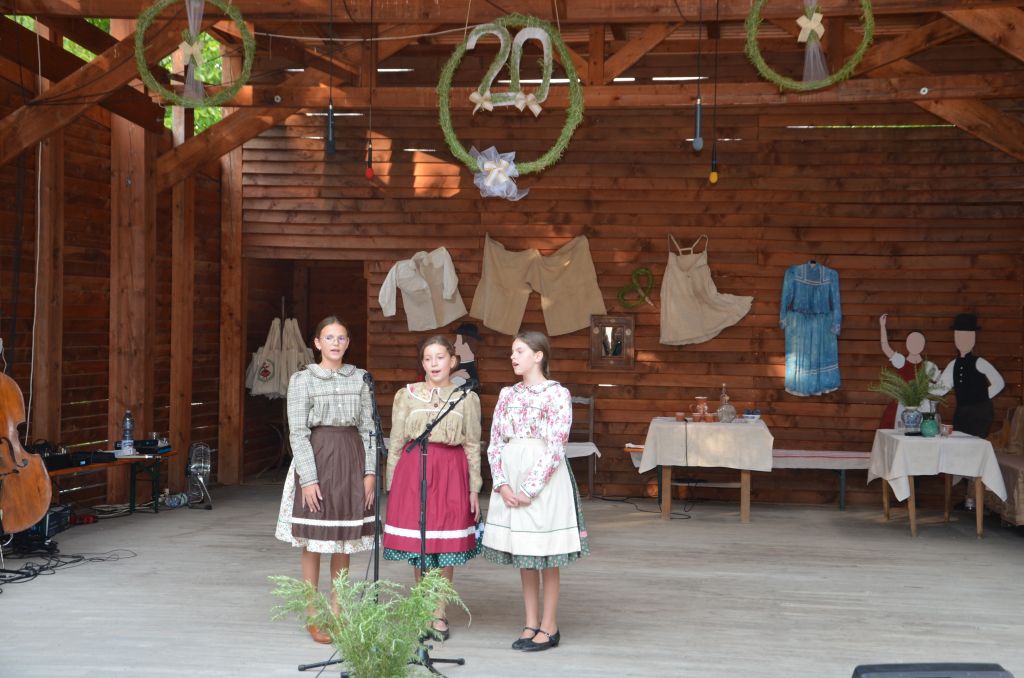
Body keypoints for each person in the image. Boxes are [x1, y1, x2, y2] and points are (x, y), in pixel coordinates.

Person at [482, 330, 589, 652]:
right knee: (525, 554)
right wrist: (501, 483)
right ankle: (530, 622)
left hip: (544, 479)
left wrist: (530, 488)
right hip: (511, 474)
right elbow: (495, 442)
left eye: (519, 351)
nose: (513, 357)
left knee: (546, 553)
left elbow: (557, 445)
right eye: (512, 352)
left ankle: (549, 625)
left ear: (538, 355)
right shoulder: (507, 394)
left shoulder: (557, 394)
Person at [274, 316, 376, 644]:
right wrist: (308, 478)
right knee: (314, 540)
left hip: (350, 459)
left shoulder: (360, 378)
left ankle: (338, 611)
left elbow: (369, 428)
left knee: (342, 539)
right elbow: (298, 432)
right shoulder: (303, 379)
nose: (336, 343)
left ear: (348, 343)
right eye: (329, 337)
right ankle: (313, 613)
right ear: (317, 343)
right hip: (317, 457)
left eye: (341, 338)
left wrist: (370, 472)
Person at [383, 335, 482, 640]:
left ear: (453, 361)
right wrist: (392, 484)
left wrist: (474, 487)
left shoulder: (466, 398)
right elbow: (396, 442)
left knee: (444, 543)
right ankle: (422, 610)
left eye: (440, 357)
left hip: (451, 471)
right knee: (420, 544)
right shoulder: (407, 395)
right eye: (428, 358)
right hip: (413, 471)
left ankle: (438, 612)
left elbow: (472, 445)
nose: (434, 364)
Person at [939, 313, 1005, 438]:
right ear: (955, 337)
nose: (963, 340)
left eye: (967, 336)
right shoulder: (953, 364)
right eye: (959, 336)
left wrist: (982, 397)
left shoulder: (980, 362)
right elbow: (942, 387)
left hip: (980, 413)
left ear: (973, 337)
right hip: (961, 412)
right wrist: (923, 387)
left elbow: (999, 383)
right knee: (959, 440)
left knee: (975, 440)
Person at [877, 314, 941, 429]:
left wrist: (930, 391)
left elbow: (941, 384)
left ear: (923, 345)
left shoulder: (928, 366)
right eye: (912, 341)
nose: (915, 344)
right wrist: (882, 326)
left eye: (918, 342)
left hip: (922, 407)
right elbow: (886, 348)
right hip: (903, 406)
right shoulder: (901, 361)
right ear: (906, 344)